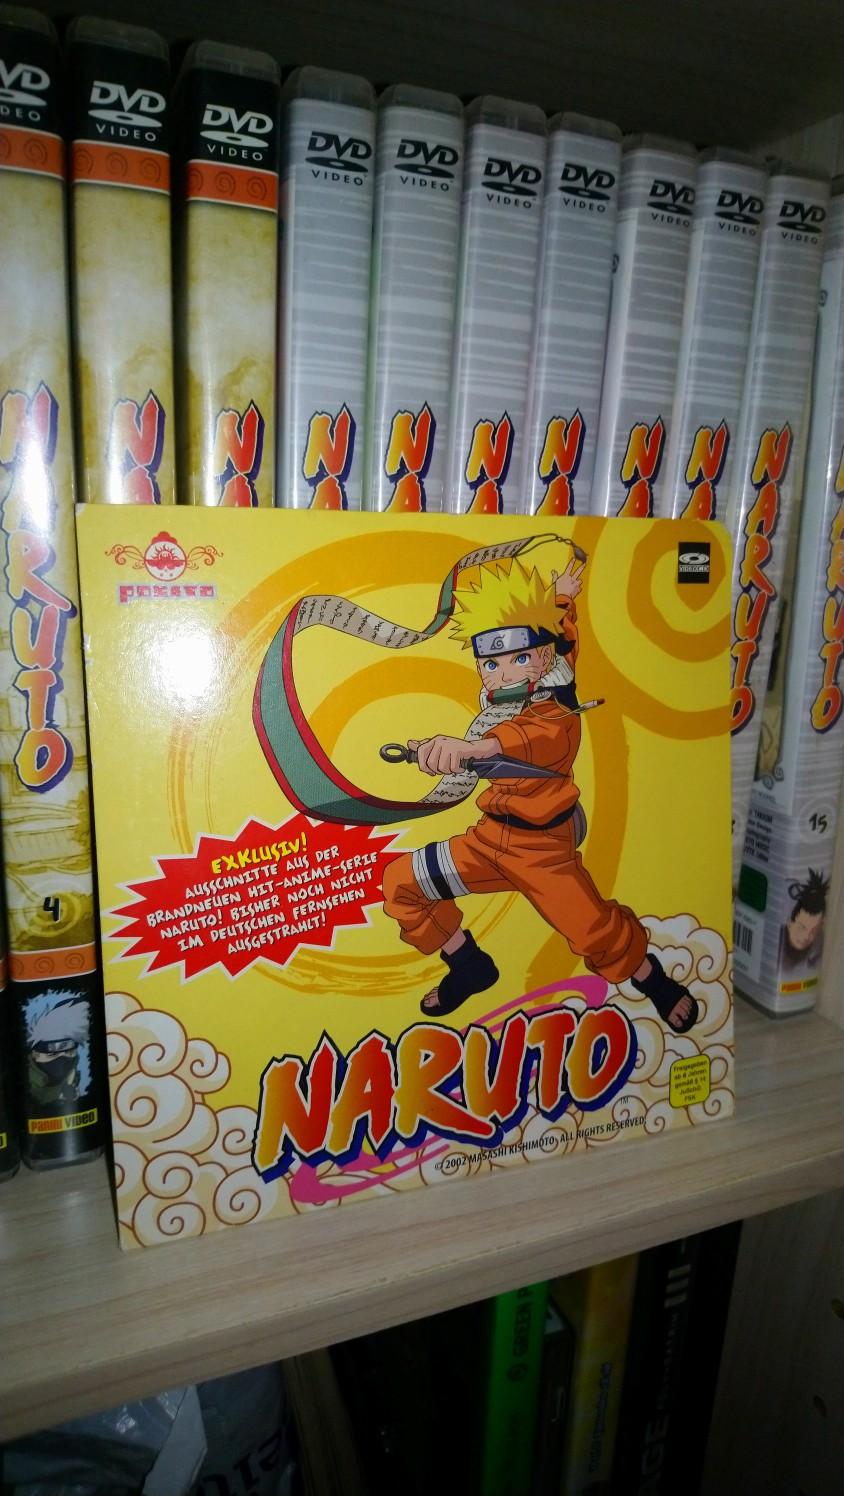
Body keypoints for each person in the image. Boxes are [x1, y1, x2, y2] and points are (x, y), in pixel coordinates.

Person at [382, 554, 699, 1031]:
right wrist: (562, 597)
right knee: (401, 883)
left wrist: (470, 748)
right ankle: (468, 964)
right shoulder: (511, 696)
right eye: (491, 663)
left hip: (542, 850)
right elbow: (564, 633)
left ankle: (652, 980)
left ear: (545, 659)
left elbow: (522, 740)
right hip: (489, 840)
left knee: (596, 933)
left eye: (520, 659)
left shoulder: (556, 712)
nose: (505, 674)